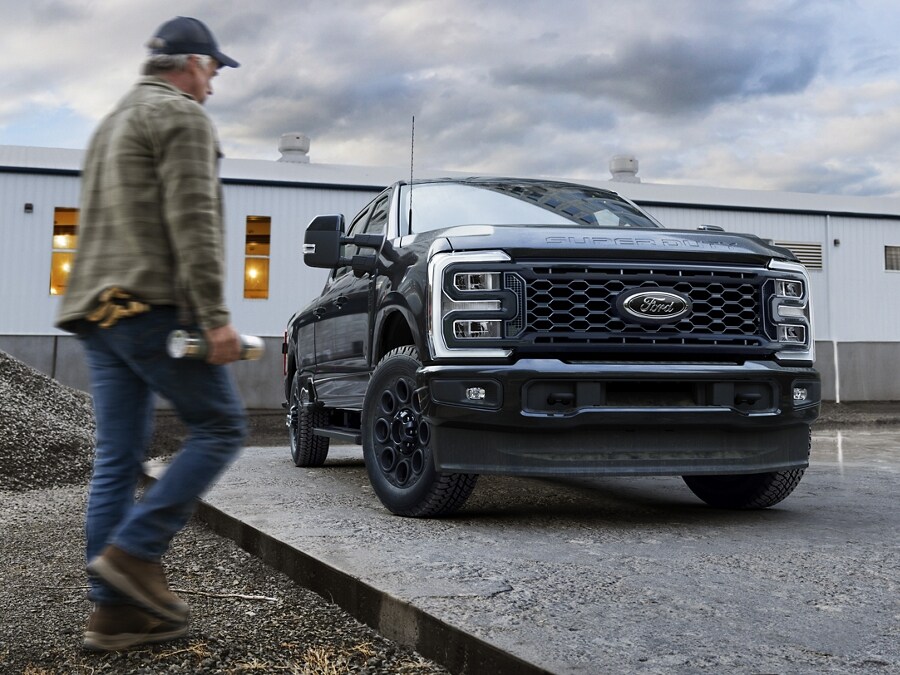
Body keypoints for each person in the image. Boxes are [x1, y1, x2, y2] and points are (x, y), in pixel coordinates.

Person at [55, 16, 246, 651]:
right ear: (191, 64)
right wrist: (214, 318)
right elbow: (194, 221)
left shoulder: (111, 124)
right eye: (213, 72)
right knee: (221, 426)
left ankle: (113, 616)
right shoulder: (183, 117)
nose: (212, 87)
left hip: (95, 311)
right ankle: (136, 553)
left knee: (117, 458)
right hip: (147, 307)